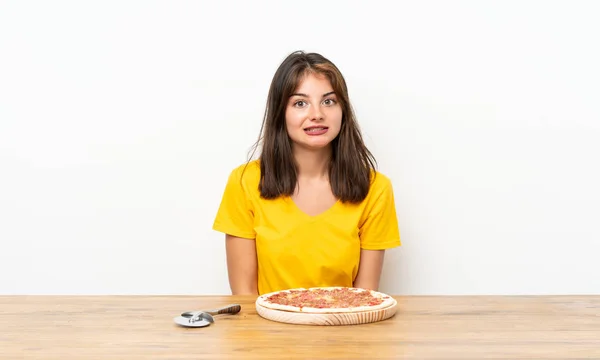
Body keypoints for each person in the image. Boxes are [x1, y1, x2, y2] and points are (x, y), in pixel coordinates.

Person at [212, 50, 401, 296]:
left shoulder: (375, 188)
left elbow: (363, 298)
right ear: (281, 113)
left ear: (343, 111)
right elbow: (245, 296)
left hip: (342, 330)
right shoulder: (244, 182)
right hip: (266, 332)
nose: (317, 114)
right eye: (300, 103)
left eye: (328, 101)